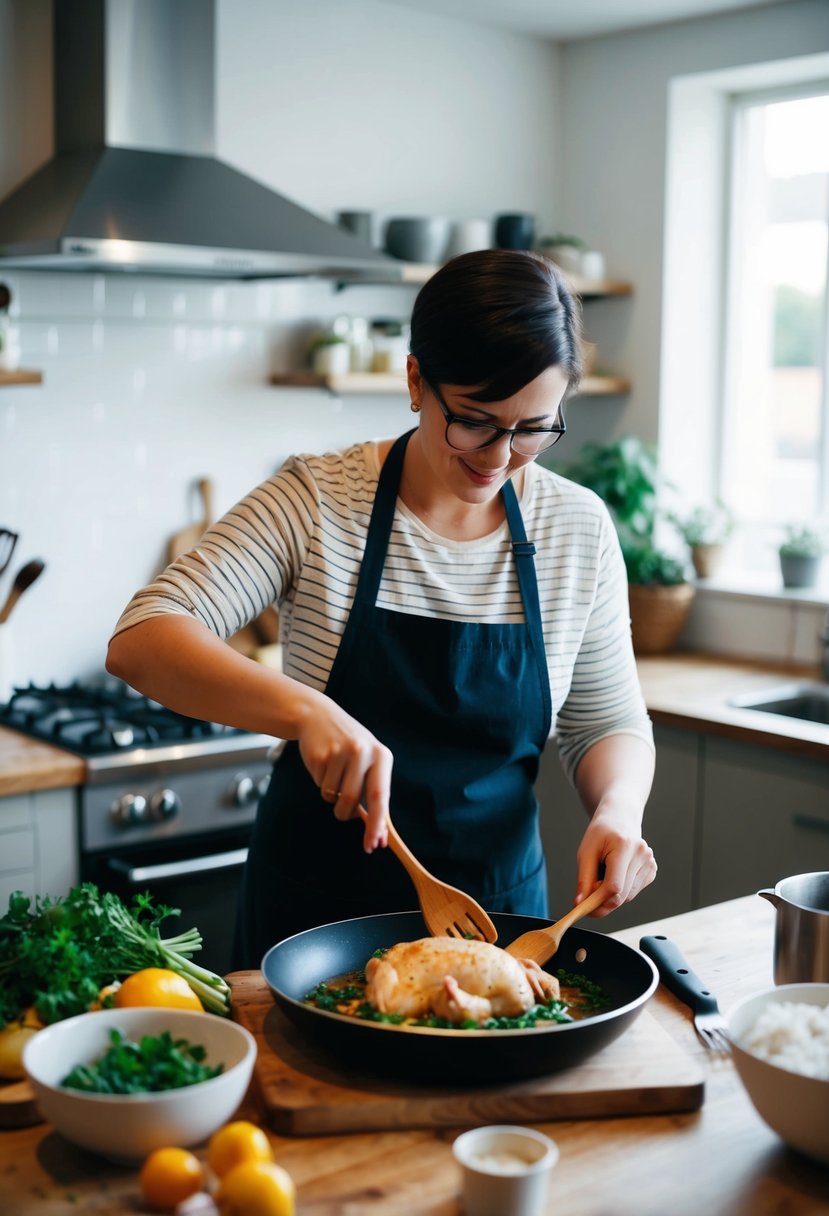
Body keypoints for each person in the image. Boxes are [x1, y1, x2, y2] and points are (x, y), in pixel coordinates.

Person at [106, 249, 656, 968]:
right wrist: (306, 712)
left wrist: (616, 810)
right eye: (475, 421)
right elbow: (142, 638)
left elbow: (605, 719)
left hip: (498, 924)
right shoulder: (317, 498)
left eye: (532, 429)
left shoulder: (575, 529)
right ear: (414, 381)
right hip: (313, 927)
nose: (498, 456)